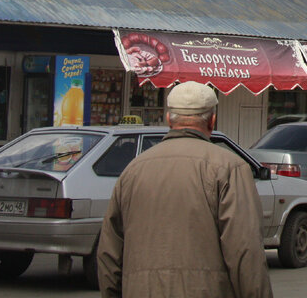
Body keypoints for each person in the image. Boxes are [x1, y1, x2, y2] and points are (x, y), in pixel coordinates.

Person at [98, 82, 272, 298]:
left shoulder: (133, 170)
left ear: (169, 119)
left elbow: (109, 253)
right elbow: (246, 252)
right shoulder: (229, 168)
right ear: (212, 121)